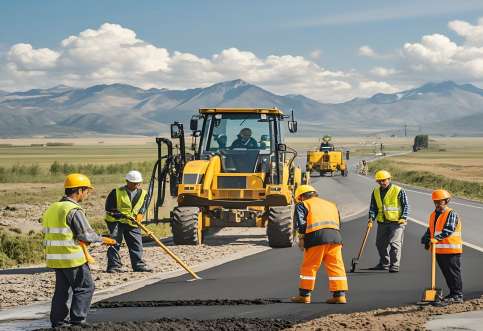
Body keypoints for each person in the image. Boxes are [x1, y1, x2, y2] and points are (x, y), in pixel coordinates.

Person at [42, 173, 116, 328]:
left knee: (61, 292)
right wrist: (103, 239)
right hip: (72, 257)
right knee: (85, 287)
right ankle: (78, 321)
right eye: (87, 191)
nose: (87, 194)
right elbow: (85, 235)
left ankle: (58, 322)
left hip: (56, 258)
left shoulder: (53, 207)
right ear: (80, 190)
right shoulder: (73, 209)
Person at [290, 185, 348, 304]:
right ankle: (340, 295)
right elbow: (339, 223)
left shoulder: (303, 204)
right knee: (336, 266)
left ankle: (304, 295)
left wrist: (302, 237)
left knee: (310, 266)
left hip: (316, 237)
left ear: (301, 196)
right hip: (335, 237)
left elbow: (301, 223)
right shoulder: (331, 204)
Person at [104, 170, 152, 273]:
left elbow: (144, 206)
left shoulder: (144, 194)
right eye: (133, 183)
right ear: (127, 181)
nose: (136, 185)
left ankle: (138, 265)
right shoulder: (116, 192)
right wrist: (121, 214)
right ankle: (113, 266)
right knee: (114, 243)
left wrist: (141, 214)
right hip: (116, 222)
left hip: (133, 223)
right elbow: (109, 208)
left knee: (136, 244)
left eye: (138, 183)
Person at [421, 189, 463, 304]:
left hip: (451, 249)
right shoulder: (433, 214)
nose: (438, 204)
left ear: (446, 201)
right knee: (447, 273)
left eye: (440, 201)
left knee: (453, 273)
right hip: (439, 250)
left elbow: (449, 229)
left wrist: (437, 238)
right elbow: (431, 229)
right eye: (436, 202)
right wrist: (426, 239)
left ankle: (457, 295)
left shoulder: (451, 213)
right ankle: (452, 293)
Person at [368, 170, 409, 273]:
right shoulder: (376, 191)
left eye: (383, 180)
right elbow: (373, 207)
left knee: (395, 244)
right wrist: (371, 218)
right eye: (379, 181)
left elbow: (406, 205)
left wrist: (403, 217)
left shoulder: (398, 190)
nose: (382, 183)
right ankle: (384, 263)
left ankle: (395, 265)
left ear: (389, 179)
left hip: (397, 222)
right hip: (382, 222)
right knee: (380, 244)